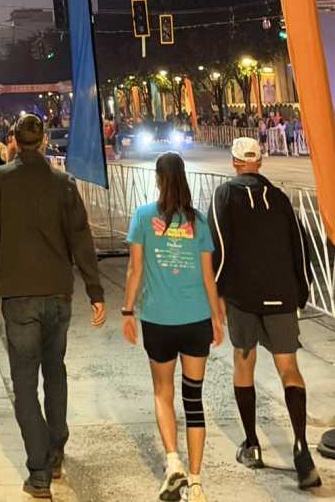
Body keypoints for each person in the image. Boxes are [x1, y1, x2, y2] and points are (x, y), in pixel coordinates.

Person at [0, 114, 105, 499]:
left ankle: (39, 471)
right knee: (56, 372)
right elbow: (81, 240)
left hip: (18, 296)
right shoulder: (64, 184)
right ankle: (56, 451)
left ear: (13, 140)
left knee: (25, 384)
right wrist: (96, 292)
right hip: (58, 293)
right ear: (45, 140)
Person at [208, 137, 320, 489]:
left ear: (234, 161)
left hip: (243, 297)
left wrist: (218, 291)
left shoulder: (224, 196)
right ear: (261, 162)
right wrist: (299, 293)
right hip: (282, 297)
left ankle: (252, 444)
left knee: (245, 363)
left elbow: (218, 246)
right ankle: (302, 449)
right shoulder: (282, 199)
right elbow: (301, 248)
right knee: (289, 368)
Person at [123, 153, 222, 502]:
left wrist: (127, 310)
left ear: (158, 179)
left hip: (158, 320)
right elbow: (209, 277)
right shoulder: (199, 221)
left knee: (163, 393)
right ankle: (195, 481)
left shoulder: (142, 216)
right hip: (195, 319)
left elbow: (134, 270)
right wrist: (217, 317)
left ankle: (172, 461)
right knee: (192, 399)